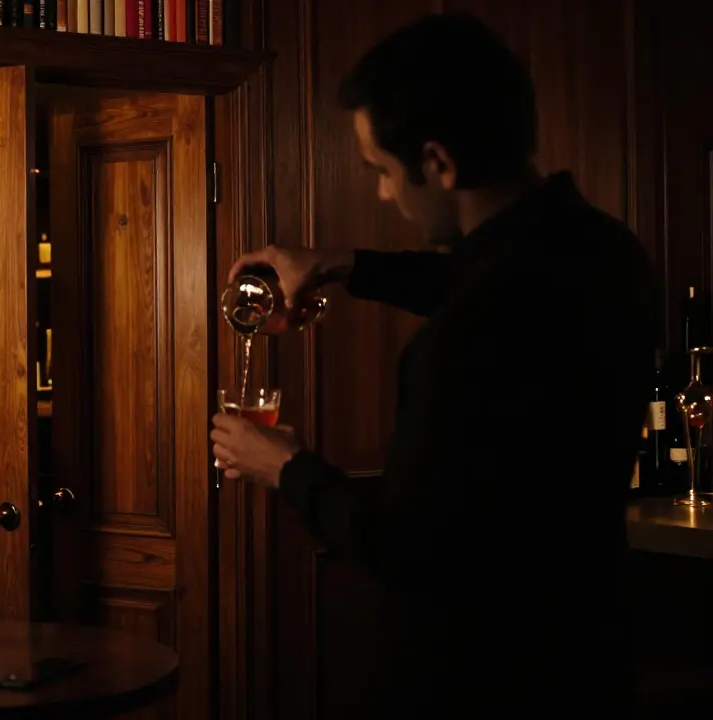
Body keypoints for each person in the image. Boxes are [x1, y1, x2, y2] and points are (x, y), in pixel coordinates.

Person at [210, 13, 655, 718]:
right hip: (591, 657)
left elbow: (410, 545)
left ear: (439, 164)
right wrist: (339, 265)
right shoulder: (608, 254)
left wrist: (285, 466)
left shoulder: (468, 335)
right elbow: (484, 277)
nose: (385, 194)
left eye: (383, 172)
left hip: (479, 677)